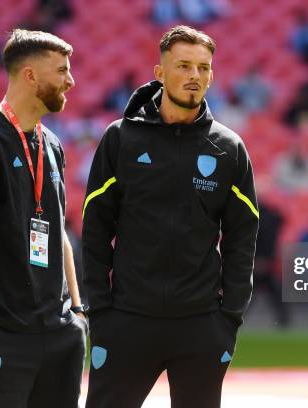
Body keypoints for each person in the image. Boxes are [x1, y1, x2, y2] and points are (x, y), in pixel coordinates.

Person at [82, 25, 258, 408]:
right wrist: (100, 309)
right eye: (183, 66)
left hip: (201, 325)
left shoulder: (229, 148)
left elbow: (243, 237)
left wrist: (229, 317)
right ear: (160, 73)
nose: (194, 76)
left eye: (203, 68)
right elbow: (95, 228)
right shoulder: (120, 139)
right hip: (127, 320)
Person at [0, 29, 85, 407]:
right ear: (30, 75)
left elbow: (58, 231)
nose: (71, 80)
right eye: (61, 70)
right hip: (3, 336)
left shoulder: (53, 144)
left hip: (60, 333)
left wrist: (76, 311)